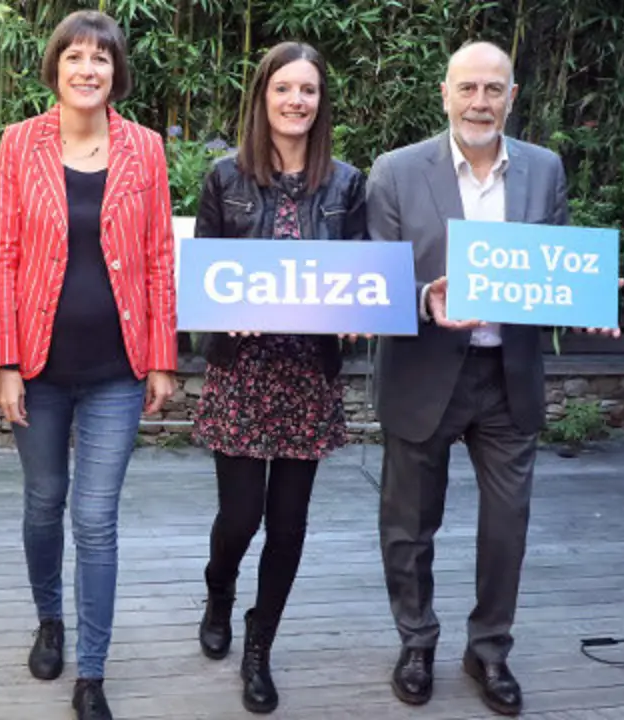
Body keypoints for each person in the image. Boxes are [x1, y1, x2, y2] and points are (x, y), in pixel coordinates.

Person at [369, 41, 621, 716]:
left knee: (507, 525)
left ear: (513, 97)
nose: (479, 101)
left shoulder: (544, 169)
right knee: (408, 525)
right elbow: (373, 281)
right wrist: (426, 297)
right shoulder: (394, 172)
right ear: (444, 94)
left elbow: (556, 269)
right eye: (467, 88)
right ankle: (416, 639)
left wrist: (586, 304)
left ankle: (488, 650)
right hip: (423, 370)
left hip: (508, 374)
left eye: (493, 89)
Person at [0, 11, 178, 720]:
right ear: (56, 68)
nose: (88, 69)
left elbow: (159, 255)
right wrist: (3, 360)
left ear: (116, 71)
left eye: (101, 58)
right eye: (75, 57)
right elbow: (0, 253)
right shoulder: (18, 145)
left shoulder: (147, 148)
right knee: (44, 504)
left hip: (117, 370)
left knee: (95, 519)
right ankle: (50, 618)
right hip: (36, 364)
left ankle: (91, 672)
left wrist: (162, 358)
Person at [189, 41, 365, 715]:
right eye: (285, 89)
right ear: (263, 98)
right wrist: (220, 313)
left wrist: (357, 314)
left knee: (289, 523)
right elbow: (202, 277)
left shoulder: (347, 183)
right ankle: (219, 586)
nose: (297, 101)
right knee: (241, 517)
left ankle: (260, 645)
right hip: (244, 372)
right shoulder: (225, 178)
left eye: (309, 91)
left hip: (307, 374)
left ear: (320, 104)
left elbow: (361, 274)